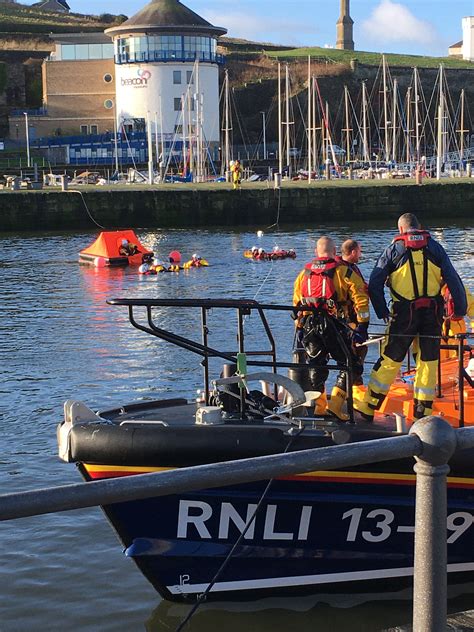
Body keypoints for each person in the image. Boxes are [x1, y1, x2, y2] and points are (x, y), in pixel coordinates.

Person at [354, 213, 467, 422]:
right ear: (420, 227)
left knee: (390, 359)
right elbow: (453, 278)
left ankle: (369, 407)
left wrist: (382, 312)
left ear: (400, 230)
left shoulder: (393, 250)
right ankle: (421, 414)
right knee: (428, 361)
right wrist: (460, 309)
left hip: (403, 314)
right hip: (432, 314)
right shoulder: (435, 248)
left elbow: (375, 283)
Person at [293, 236, 370, 420]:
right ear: (335, 252)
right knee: (350, 364)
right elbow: (360, 296)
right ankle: (335, 405)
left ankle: (320, 407)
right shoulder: (343, 271)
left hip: (310, 324)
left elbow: (296, 302)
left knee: (316, 366)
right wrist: (362, 325)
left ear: (316, 252)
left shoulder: (304, 273)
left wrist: (300, 327)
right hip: (334, 324)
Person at [340, 239, 369, 375]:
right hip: (349, 319)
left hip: (346, 318)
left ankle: (352, 384)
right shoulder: (346, 271)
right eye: (359, 251)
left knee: (358, 351)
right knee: (356, 352)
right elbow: (359, 297)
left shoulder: (348, 267)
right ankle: (353, 385)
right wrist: (363, 324)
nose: (360, 255)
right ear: (353, 252)